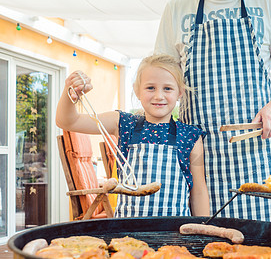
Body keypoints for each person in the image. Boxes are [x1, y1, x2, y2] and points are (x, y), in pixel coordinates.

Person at [154, 0, 271, 226]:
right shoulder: (177, 9)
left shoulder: (269, 3)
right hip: (200, 166)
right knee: (209, 248)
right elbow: (163, 78)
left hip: (262, 160)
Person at [55, 54, 210, 217]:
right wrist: (70, 92)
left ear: (180, 92)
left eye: (167, 88)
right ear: (137, 91)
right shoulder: (123, 123)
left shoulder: (191, 136)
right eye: (150, 88)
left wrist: (204, 231)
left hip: (174, 233)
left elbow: (198, 192)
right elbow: (66, 121)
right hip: (128, 232)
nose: (159, 96)